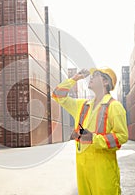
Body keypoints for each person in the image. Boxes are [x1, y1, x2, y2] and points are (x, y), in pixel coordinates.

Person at [52, 67, 128, 195]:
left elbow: (122, 136)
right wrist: (75, 78)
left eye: (96, 75)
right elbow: (57, 95)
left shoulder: (114, 106)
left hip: (103, 167)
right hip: (82, 166)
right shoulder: (82, 105)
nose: (91, 77)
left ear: (105, 82)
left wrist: (94, 139)